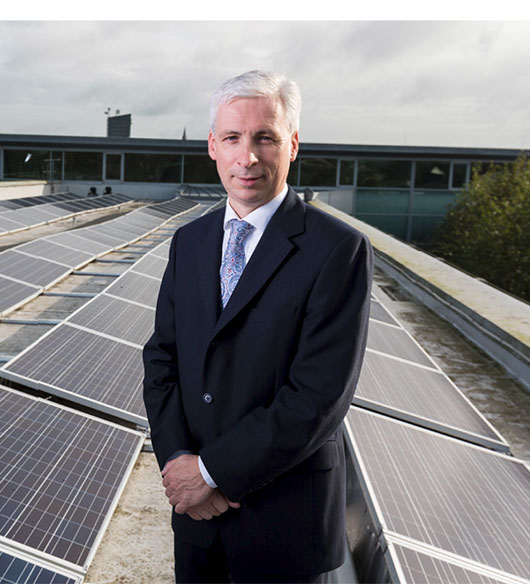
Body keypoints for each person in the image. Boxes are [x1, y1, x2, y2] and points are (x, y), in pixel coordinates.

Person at [142, 70, 372, 583]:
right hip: (197, 526)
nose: (247, 157)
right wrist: (179, 461)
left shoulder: (337, 250)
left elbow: (317, 397)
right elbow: (162, 358)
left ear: (292, 145)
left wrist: (211, 473)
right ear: (212, 146)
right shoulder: (191, 242)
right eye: (232, 138)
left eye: (264, 137)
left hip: (284, 530)